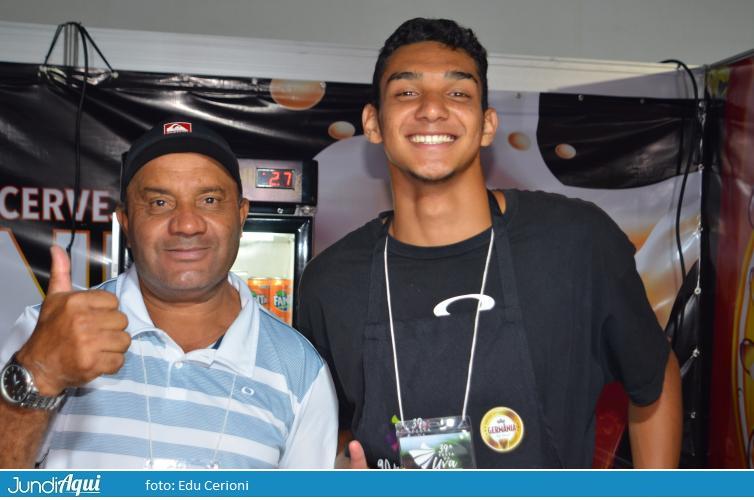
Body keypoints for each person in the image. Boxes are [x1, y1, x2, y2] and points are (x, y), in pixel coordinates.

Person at [297, 18, 682, 469]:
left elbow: (653, 378)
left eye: (458, 93)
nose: (432, 109)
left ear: (487, 125)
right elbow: (326, 426)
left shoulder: (575, 242)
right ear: (373, 122)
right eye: (407, 92)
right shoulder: (331, 281)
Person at [0, 118, 337, 468]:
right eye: (160, 203)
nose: (187, 224)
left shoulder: (300, 369)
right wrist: (40, 373)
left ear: (241, 215)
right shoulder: (48, 332)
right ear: (126, 222)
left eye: (209, 200)